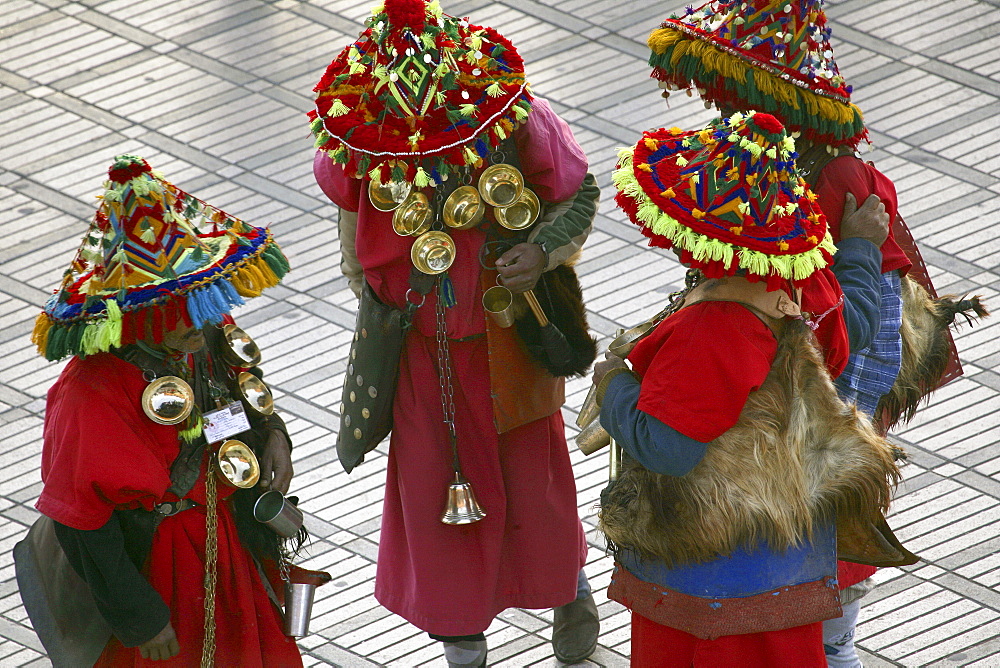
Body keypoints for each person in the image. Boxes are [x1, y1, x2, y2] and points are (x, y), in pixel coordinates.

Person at [642, 0, 973, 662]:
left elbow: (863, 360)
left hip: (823, 431)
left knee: (829, 627)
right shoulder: (768, 163)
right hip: (778, 434)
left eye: (741, 95)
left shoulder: (841, 183)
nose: (727, 112)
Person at [308, 1, 602, 665]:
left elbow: (579, 193)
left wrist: (546, 250)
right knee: (438, 505)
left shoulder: (511, 112)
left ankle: (568, 589)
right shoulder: (361, 133)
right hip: (421, 358)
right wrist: (374, 299)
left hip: (509, 344)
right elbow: (350, 221)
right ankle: (463, 649)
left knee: (539, 494)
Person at [596, 111, 913, 666]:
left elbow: (669, 448)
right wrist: (860, 249)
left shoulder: (712, 330)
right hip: (786, 560)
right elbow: (852, 323)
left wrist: (615, 389)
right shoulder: (799, 283)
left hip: (709, 576)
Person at [25, 155, 305, 666]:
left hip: (230, 545)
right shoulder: (90, 390)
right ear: (141, 315)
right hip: (160, 569)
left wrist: (275, 438)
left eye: (203, 301)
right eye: (182, 312)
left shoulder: (203, 334)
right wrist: (140, 617)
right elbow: (80, 520)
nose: (202, 323)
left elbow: (244, 397)